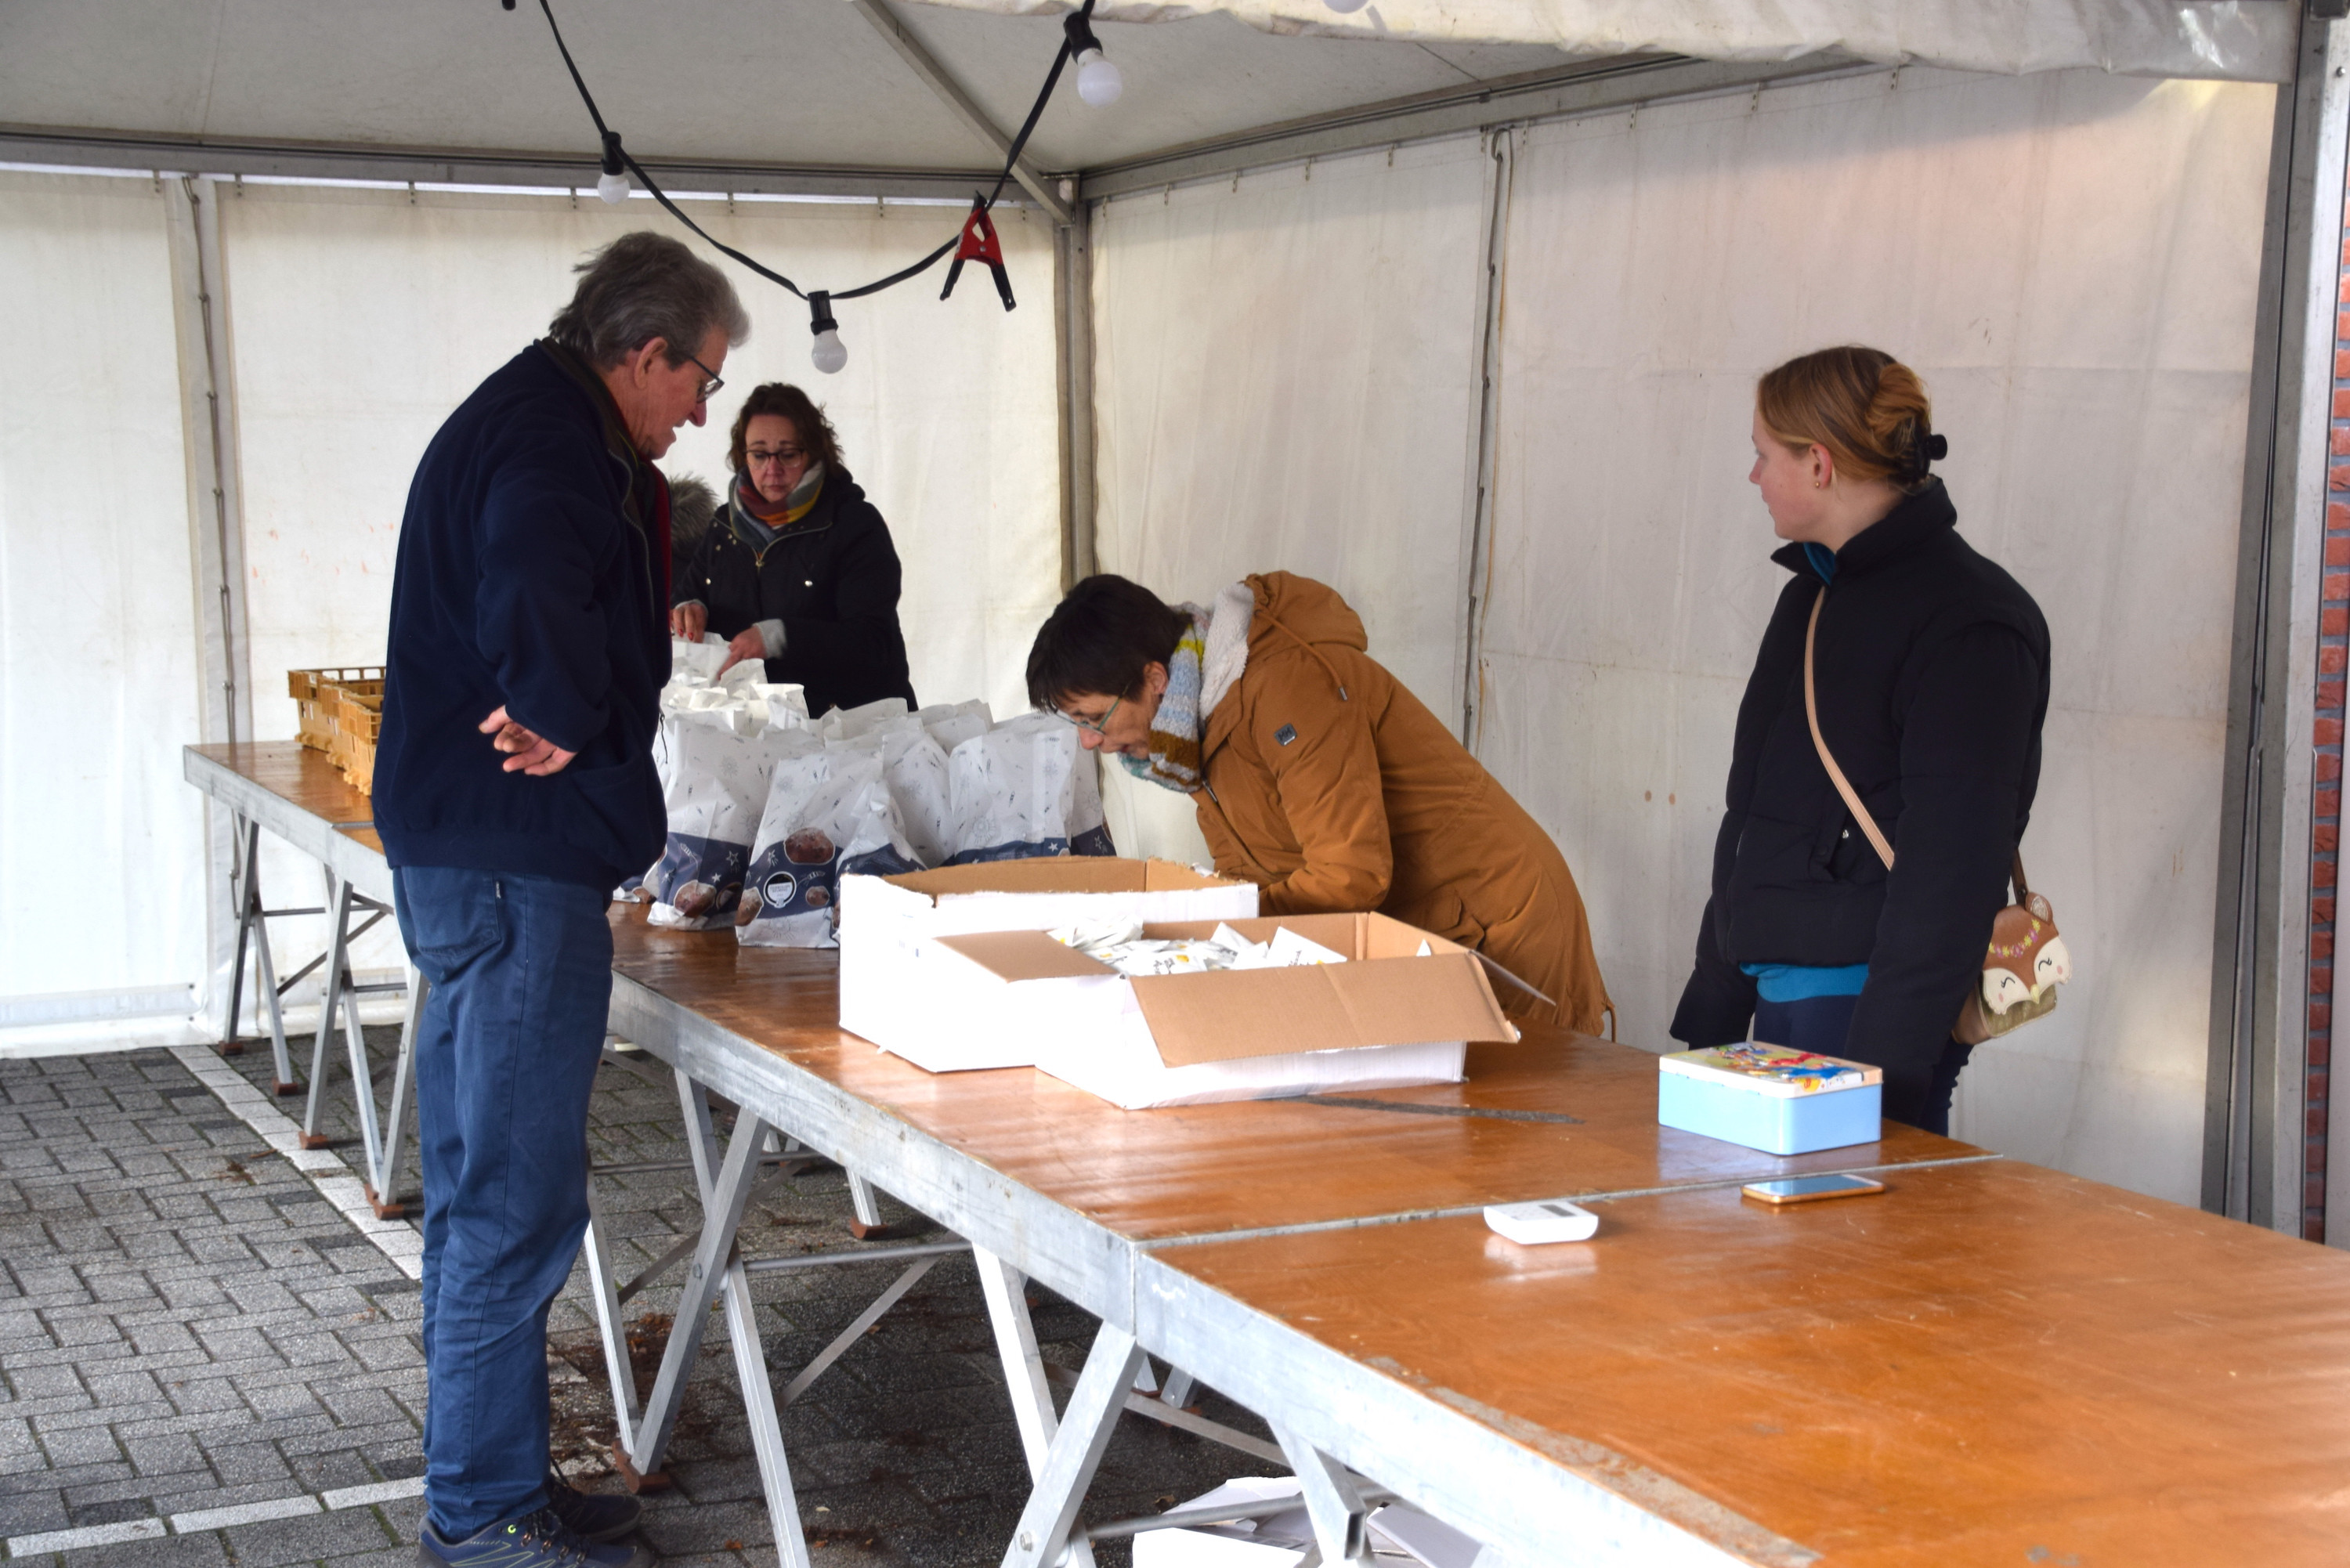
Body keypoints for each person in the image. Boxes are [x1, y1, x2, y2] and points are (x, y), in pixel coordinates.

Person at [373, 231, 747, 1568]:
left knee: (490, 1188)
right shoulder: (548, 434)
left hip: (486, 852)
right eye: (700, 379)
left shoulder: (538, 413)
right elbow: (532, 565)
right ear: (644, 354)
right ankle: (480, 1513)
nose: (700, 409)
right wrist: (557, 707)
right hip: (512, 858)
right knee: (509, 1200)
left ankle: (500, 1479)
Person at [1668, 345, 2050, 1134]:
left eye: (1763, 454)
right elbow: (1753, 814)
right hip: (1783, 999)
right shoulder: (1809, 598)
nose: (1752, 475)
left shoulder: (1972, 621)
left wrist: (1885, 1079)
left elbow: (1953, 869)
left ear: (1818, 463)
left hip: (1868, 1011)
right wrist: (1716, 1004)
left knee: (1851, 1213)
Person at [1025, 570, 1611, 1035]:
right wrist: (1213, 924)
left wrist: (1214, 923)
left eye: (1092, 718)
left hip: (1499, 924)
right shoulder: (1191, 727)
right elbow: (1249, 875)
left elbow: (1350, 872)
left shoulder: (1284, 686)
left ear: (1155, 679)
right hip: (1424, 933)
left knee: (1524, 1128)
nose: (1090, 742)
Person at [669, 382, 916, 717]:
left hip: (850, 724)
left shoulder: (854, 524)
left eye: (788, 454)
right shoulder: (724, 525)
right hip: (761, 722)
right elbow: (690, 590)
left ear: (813, 451)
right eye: (759, 455)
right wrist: (689, 607)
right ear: (743, 455)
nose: (773, 469)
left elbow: (872, 641)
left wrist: (779, 637)